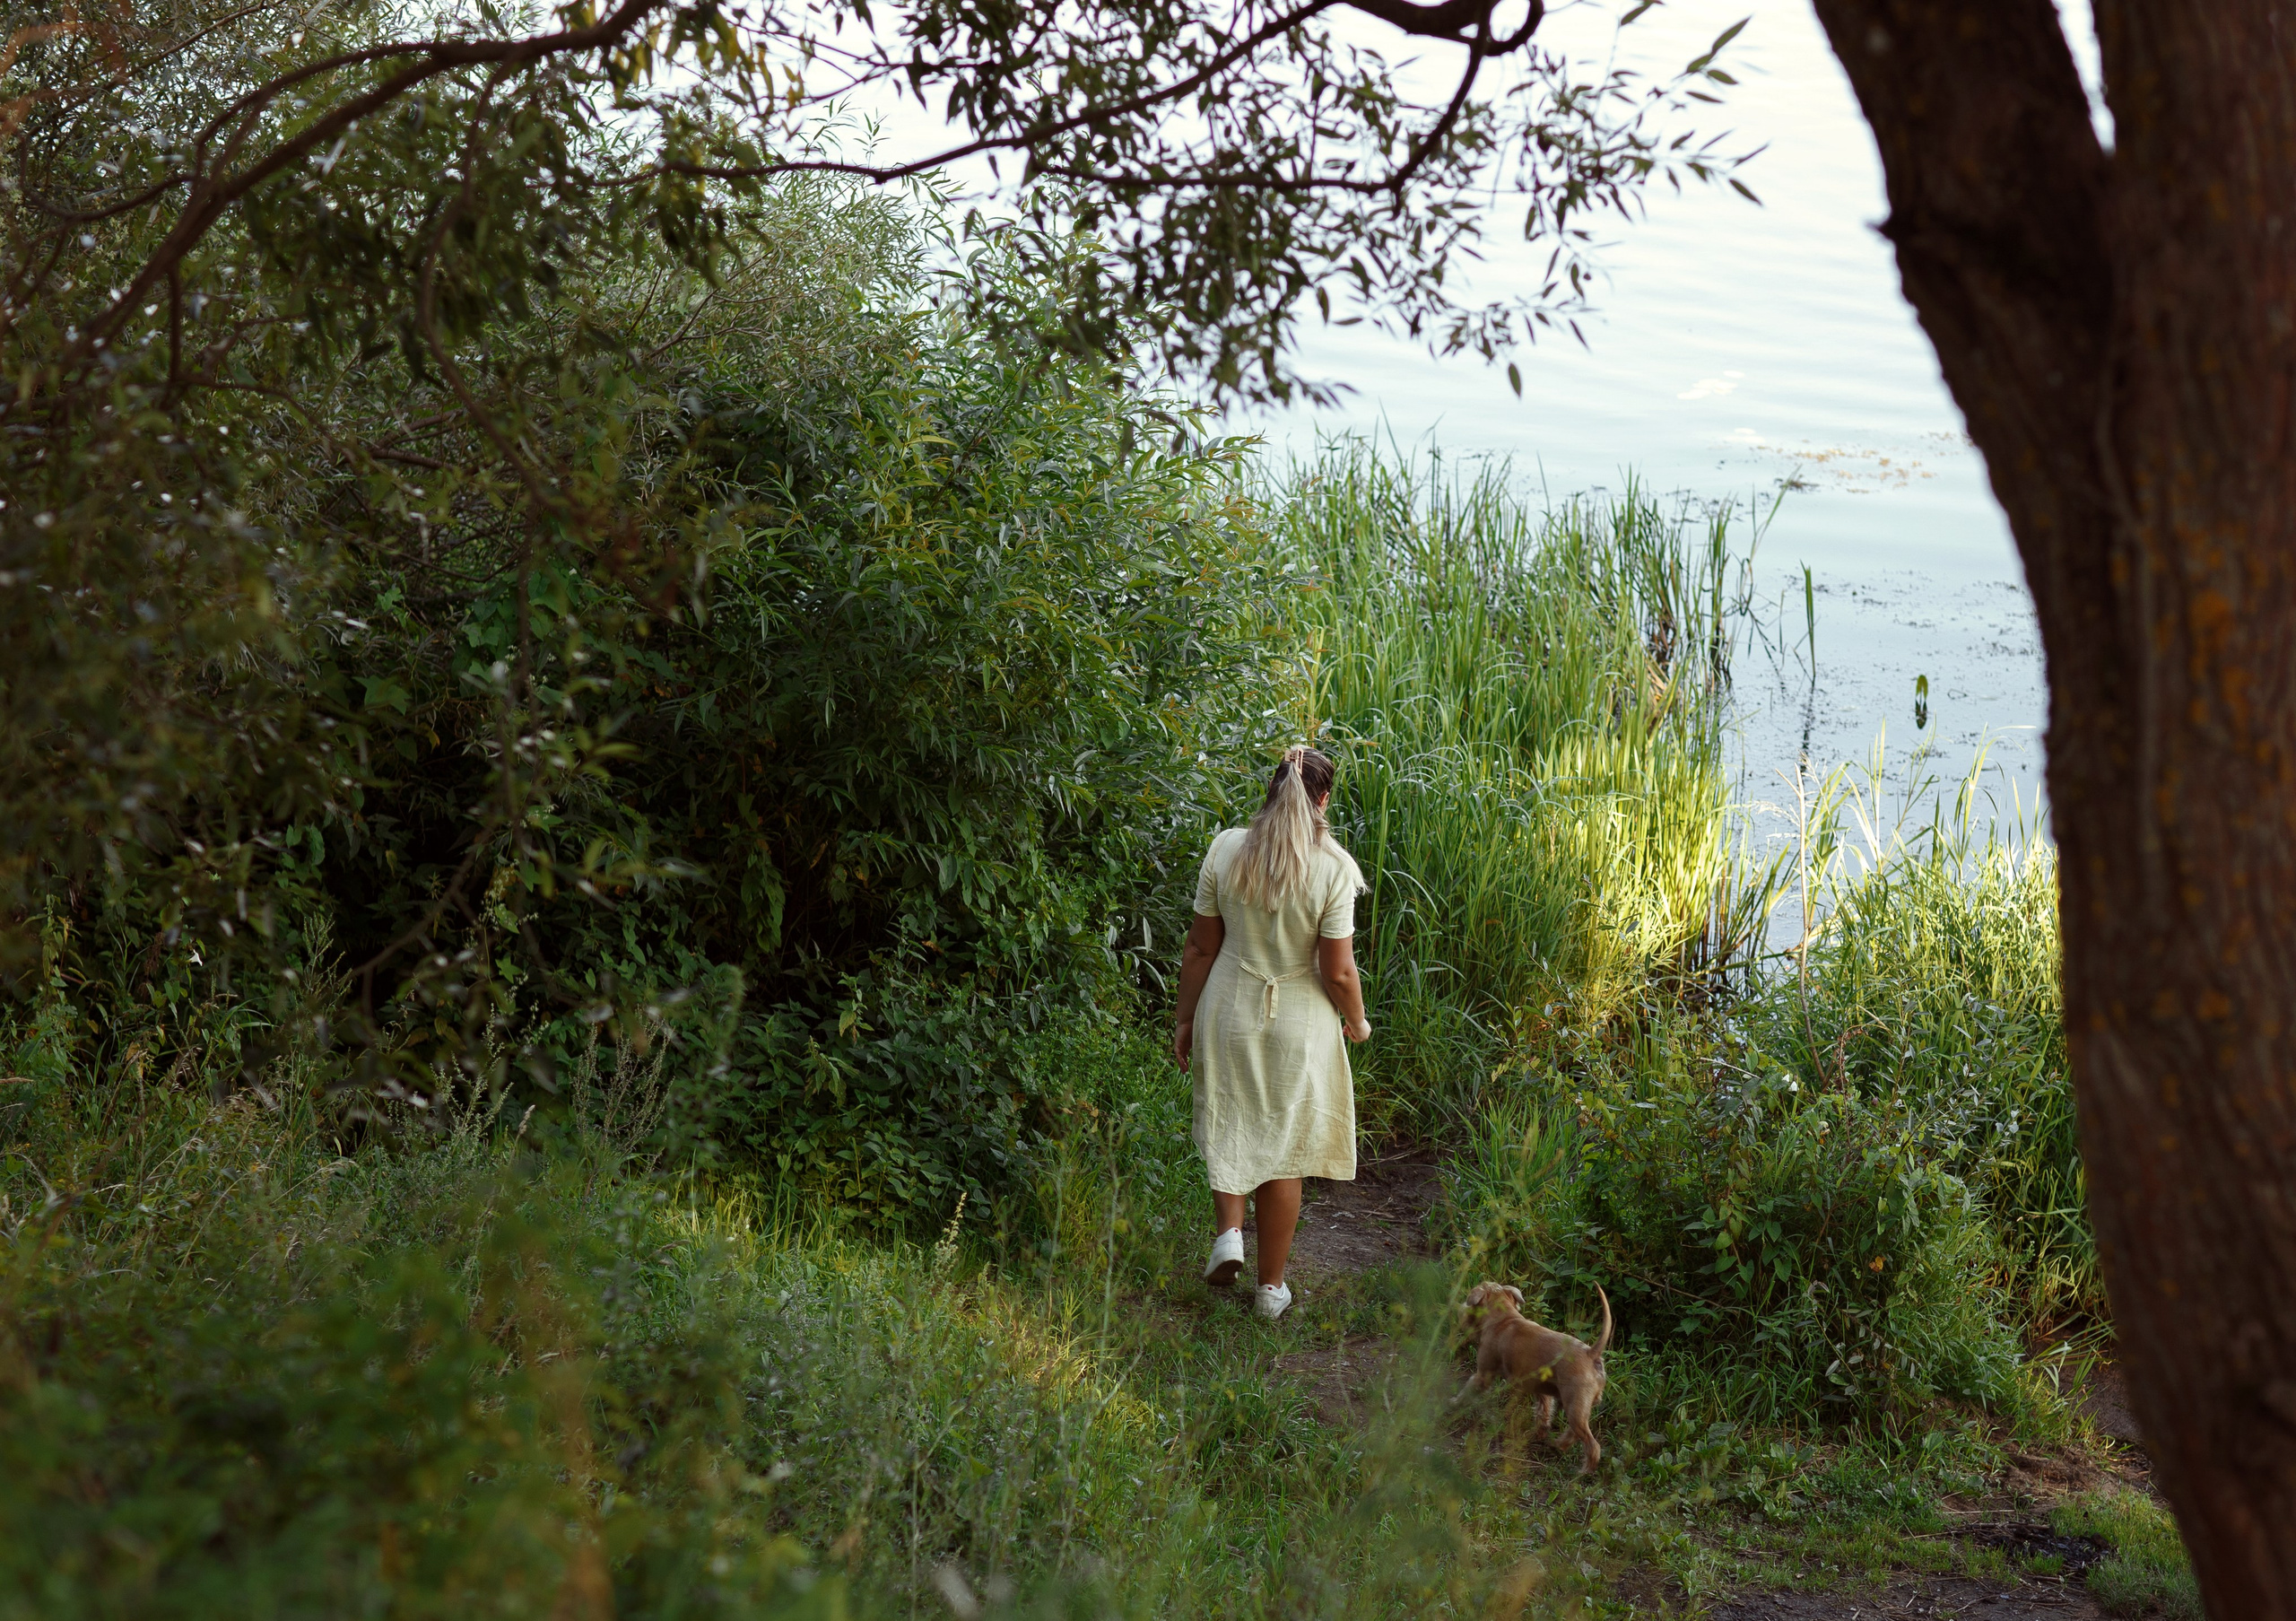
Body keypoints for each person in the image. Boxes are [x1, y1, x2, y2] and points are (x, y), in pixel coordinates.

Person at [1172, 745, 1371, 1320]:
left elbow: (1200, 948)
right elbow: (1337, 970)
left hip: (1229, 1007)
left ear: (1269, 787)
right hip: (1300, 1023)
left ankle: (1229, 1235)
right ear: (1323, 801)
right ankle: (1270, 1290)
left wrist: (1185, 1018)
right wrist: (1356, 1021)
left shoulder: (1227, 848)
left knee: (1231, 1118)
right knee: (1284, 1150)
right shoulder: (1334, 868)